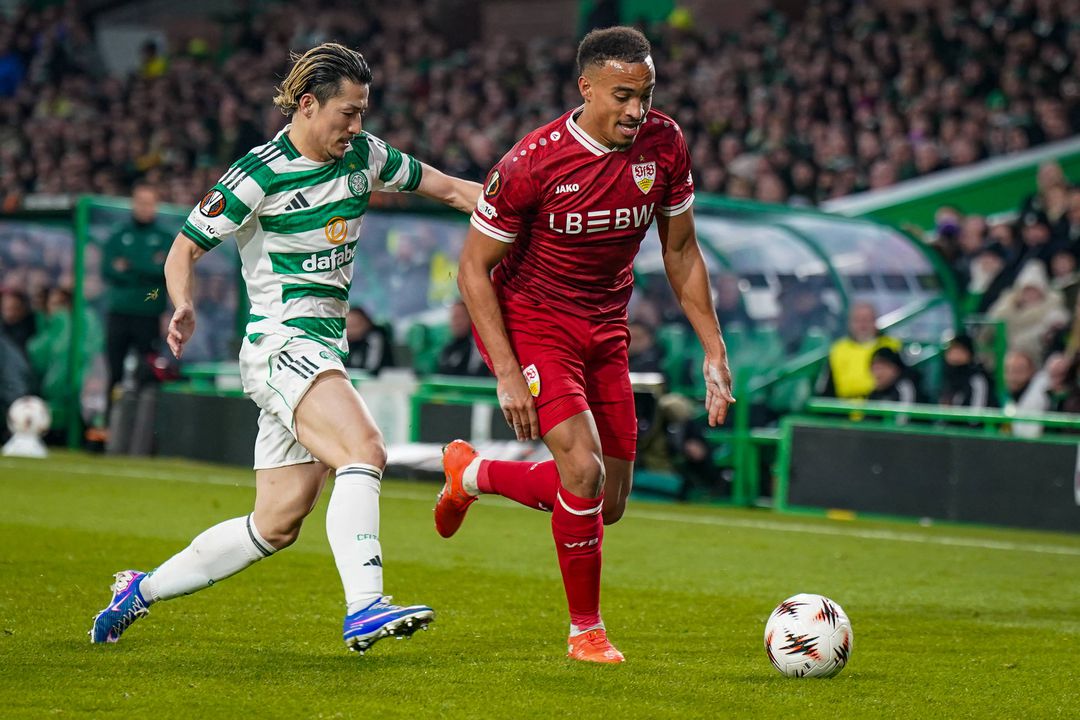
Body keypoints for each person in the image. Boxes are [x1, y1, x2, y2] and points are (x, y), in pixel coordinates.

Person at [90, 42, 482, 654]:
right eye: (347, 113)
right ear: (307, 105)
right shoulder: (258, 173)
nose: (356, 125)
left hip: (323, 349)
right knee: (365, 449)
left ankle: (139, 591)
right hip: (280, 343)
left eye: (362, 112)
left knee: (275, 524)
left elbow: (454, 190)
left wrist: (530, 207)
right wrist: (183, 303)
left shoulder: (365, 154)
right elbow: (184, 246)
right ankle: (365, 607)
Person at [434, 27, 734, 664]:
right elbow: (472, 269)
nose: (637, 110)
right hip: (534, 322)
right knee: (583, 472)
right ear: (587, 88)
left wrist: (714, 349)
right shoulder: (531, 163)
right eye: (623, 96)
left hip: (606, 327)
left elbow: (681, 251)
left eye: (646, 95)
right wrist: (507, 373)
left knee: (609, 502)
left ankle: (473, 475)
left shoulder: (665, 143)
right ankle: (585, 632)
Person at [101, 183, 172, 415]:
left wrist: (130, 266)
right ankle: (111, 423)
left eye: (149, 203)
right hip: (119, 312)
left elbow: (164, 272)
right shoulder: (118, 235)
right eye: (141, 202)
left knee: (147, 372)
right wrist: (148, 267)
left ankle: (144, 425)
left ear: (156, 205)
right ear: (133, 203)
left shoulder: (164, 238)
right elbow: (108, 270)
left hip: (149, 313)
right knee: (114, 372)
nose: (145, 207)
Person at [817, 302, 901, 399]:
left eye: (867, 320)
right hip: (844, 405)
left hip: (881, 403)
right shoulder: (838, 349)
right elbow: (827, 388)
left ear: (875, 321)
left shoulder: (890, 346)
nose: (862, 325)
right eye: (857, 320)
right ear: (849, 323)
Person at [434, 300, 488, 376]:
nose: (457, 322)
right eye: (454, 318)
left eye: (460, 317)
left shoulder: (479, 347)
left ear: (471, 318)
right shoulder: (448, 348)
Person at [344, 306, 394, 375]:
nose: (350, 330)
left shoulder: (375, 337)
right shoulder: (346, 340)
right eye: (347, 326)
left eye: (354, 325)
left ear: (366, 323)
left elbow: (371, 368)